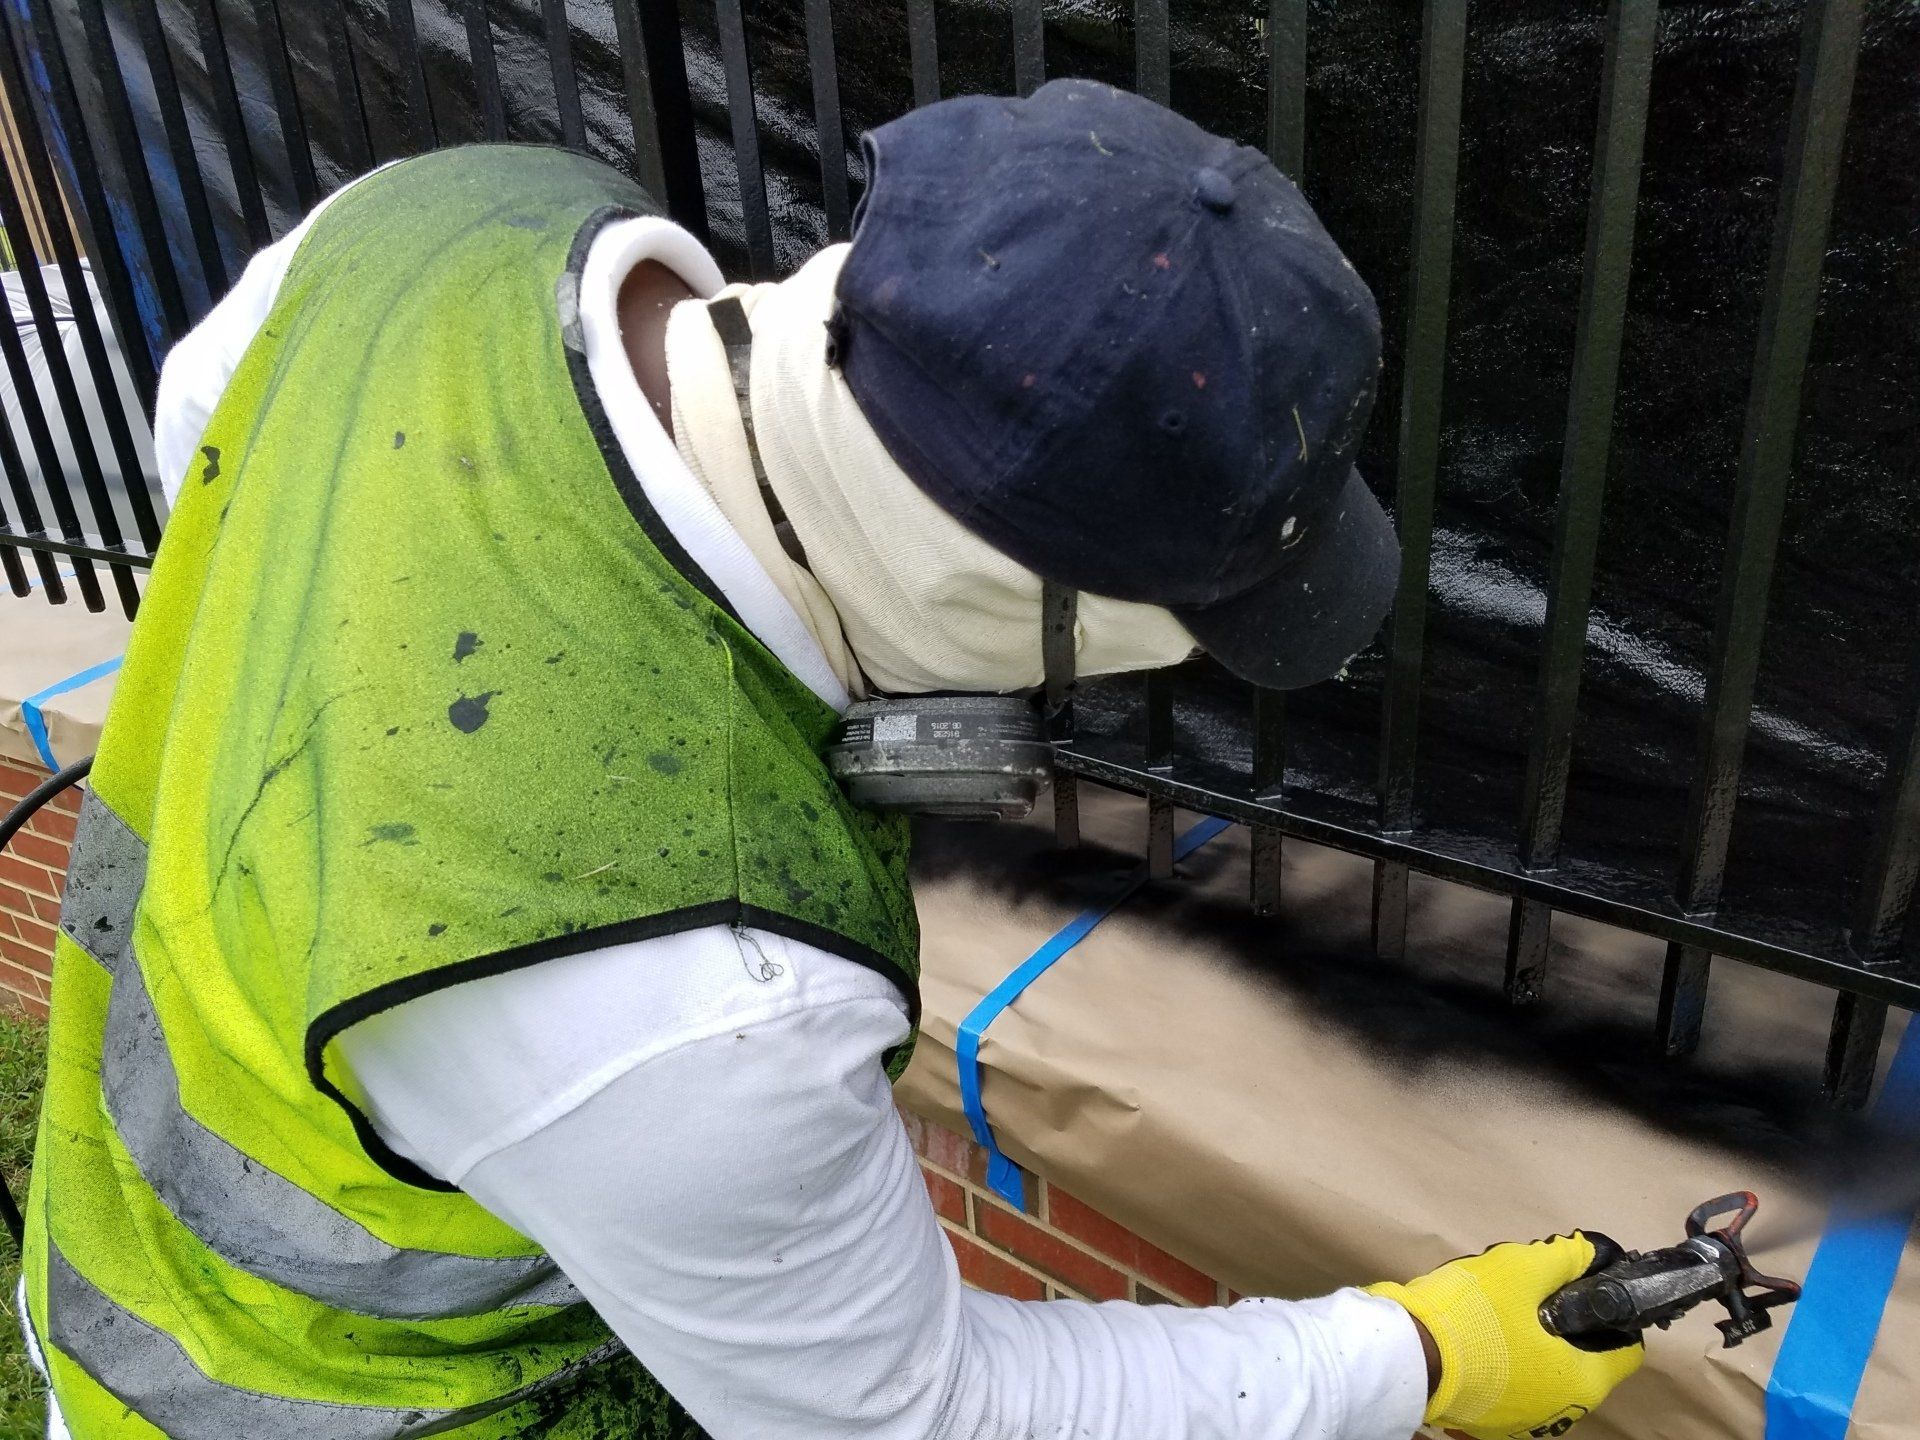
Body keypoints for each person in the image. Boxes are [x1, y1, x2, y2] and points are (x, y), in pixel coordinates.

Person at [23, 81, 1641, 1440]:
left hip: (120, 1202)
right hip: (305, 1394)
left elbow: (208, 441)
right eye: (1212, 621)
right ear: (1019, 603)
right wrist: (1426, 1355)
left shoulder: (436, 229)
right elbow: (914, 1417)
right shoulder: (704, 1016)